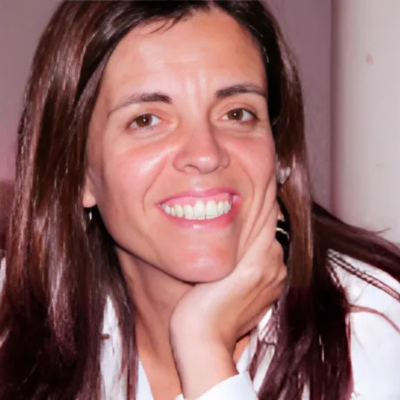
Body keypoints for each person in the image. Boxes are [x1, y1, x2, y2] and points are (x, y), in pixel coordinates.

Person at [0, 1, 399, 399]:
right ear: (78, 174)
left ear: (278, 152)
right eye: (146, 120)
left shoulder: (375, 330)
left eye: (237, 113)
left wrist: (205, 352)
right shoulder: (12, 317)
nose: (206, 154)